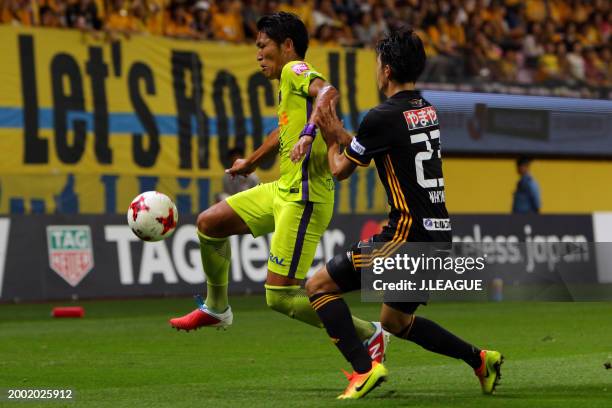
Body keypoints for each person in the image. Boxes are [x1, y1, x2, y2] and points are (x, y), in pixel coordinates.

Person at [169, 12, 388, 363]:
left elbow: (329, 92)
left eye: (262, 45)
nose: (257, 53)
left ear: (287, 46)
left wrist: (307, 134)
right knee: (210, 223)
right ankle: (216, 307)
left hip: (305, 198)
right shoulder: (287, 86)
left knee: (279, 297)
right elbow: (282, 130)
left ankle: (370, 334)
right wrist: (252, 162)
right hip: (283, 188)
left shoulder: (294, 70)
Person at [305, 27, 503, 399]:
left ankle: (363, 371)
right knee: (394, 321)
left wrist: (331, 135)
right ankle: (480, 360)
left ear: (386, 71)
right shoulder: (425, 110)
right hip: (438, 235)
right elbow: (377, 147)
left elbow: (339, 170)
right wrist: (347, 137)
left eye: (378, 64)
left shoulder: (380, 115)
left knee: (318, 287)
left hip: (405, 239)